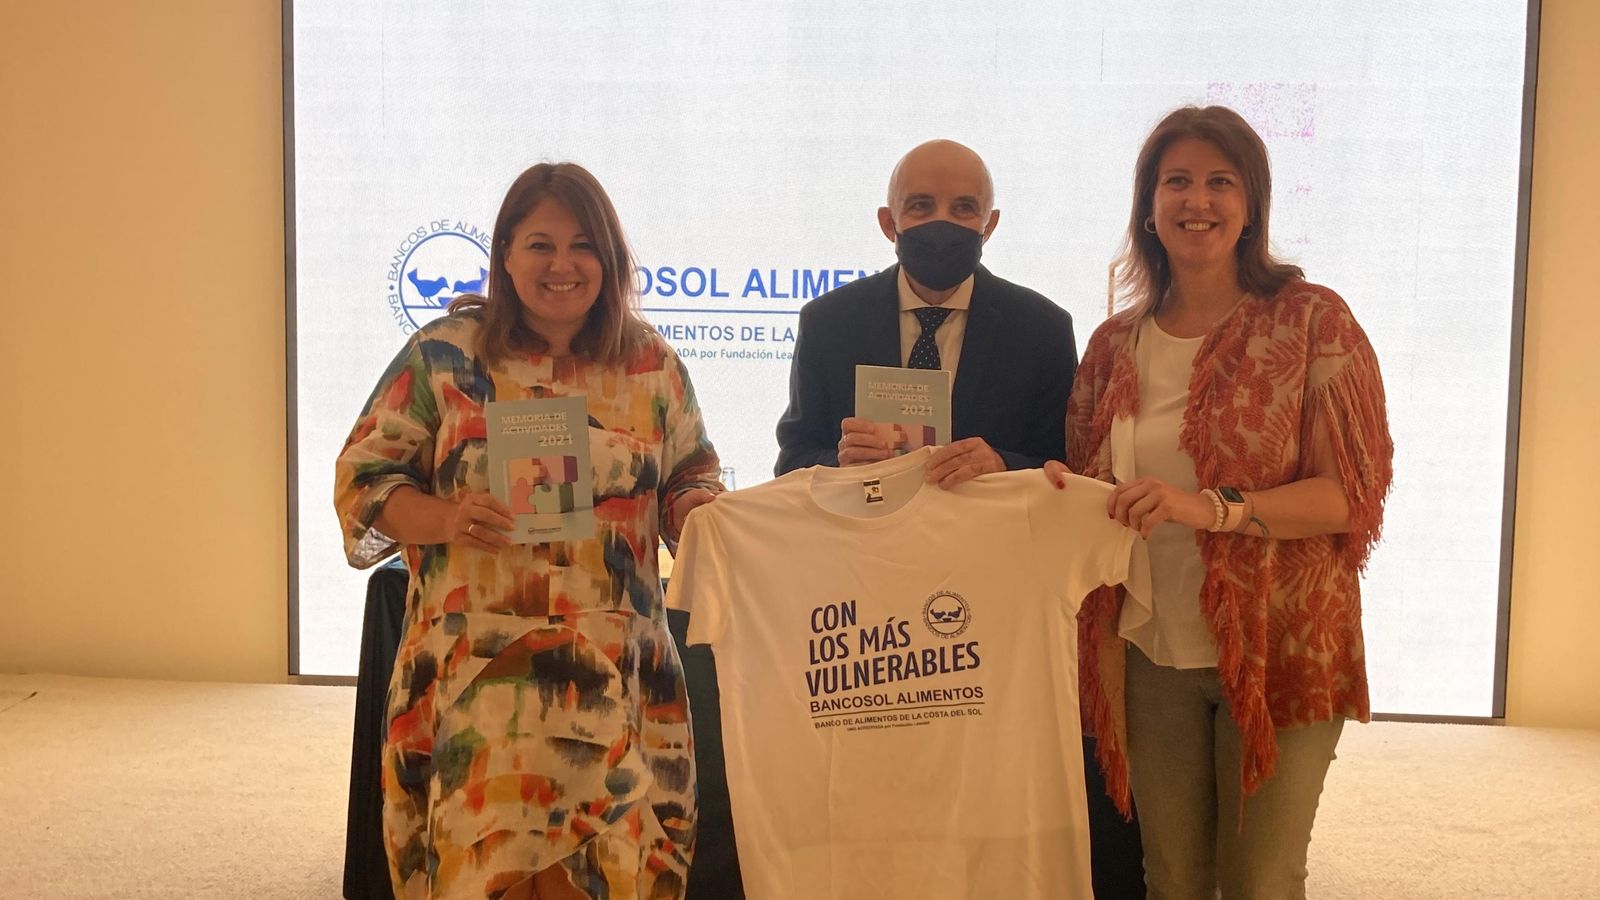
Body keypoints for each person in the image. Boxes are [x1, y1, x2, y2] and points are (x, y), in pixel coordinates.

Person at [334, 162, 722, 900]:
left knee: (605, 876)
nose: (562, 265)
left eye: (583, 245)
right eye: (540, 244)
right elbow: (365, 480)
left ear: (609, 261)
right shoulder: (444, 355)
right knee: (489, 873)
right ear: (506, 254)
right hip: (479, 666)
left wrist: (697, 507)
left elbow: (690, 474)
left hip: (615, 665)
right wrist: (446, 517)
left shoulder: (652, 365)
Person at [771, 139, 1147, 898]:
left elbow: (1064, 466)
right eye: (921, 207)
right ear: (888, 220)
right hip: (870, 607)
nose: (942, 222)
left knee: (984, 788)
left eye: (963, 208)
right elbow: (791, 459)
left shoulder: (1044, 327)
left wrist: (1000, 462)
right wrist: (835, 463)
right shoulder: (829, 321)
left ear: (992, 221)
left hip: (990, 610)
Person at [1048, 105, 1394, 899]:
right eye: (1177, 181)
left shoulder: (1313, 320)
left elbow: (1352, 496)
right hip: (1149, 650)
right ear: (1148, 205)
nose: (1196, 200)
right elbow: (1097, 488)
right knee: (1170, 877)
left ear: (1251, 204)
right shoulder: (1111, 346)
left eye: (1219, 181)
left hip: (1282, 647)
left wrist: (1213, 509)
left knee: (1261, 879)